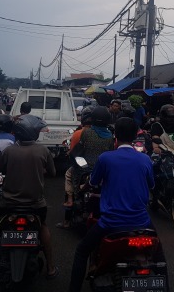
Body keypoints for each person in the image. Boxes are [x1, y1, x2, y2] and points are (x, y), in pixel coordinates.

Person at [68, 117, 164, 292]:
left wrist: (83, 188)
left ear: (115, 136)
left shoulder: (106, 158)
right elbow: (151, 185)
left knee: (82, 251)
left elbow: (94, 181)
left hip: (111, 223)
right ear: (135, 135)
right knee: (160, 257)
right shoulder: (144, 160)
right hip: (142, 222)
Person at [0, 114, 59, 279]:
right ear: (33, 133)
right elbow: (52, 172)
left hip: (8, 204)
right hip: (35, 204)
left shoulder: (9, 151)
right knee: (43, 227)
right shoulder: (43, 151)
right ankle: (51, 267)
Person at [59, 105, 95, 220]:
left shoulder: (78, 133)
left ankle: (69, 202)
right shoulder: (104, 134)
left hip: (82, 166)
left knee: (68, 175)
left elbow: (73, 152)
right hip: (97, 166)